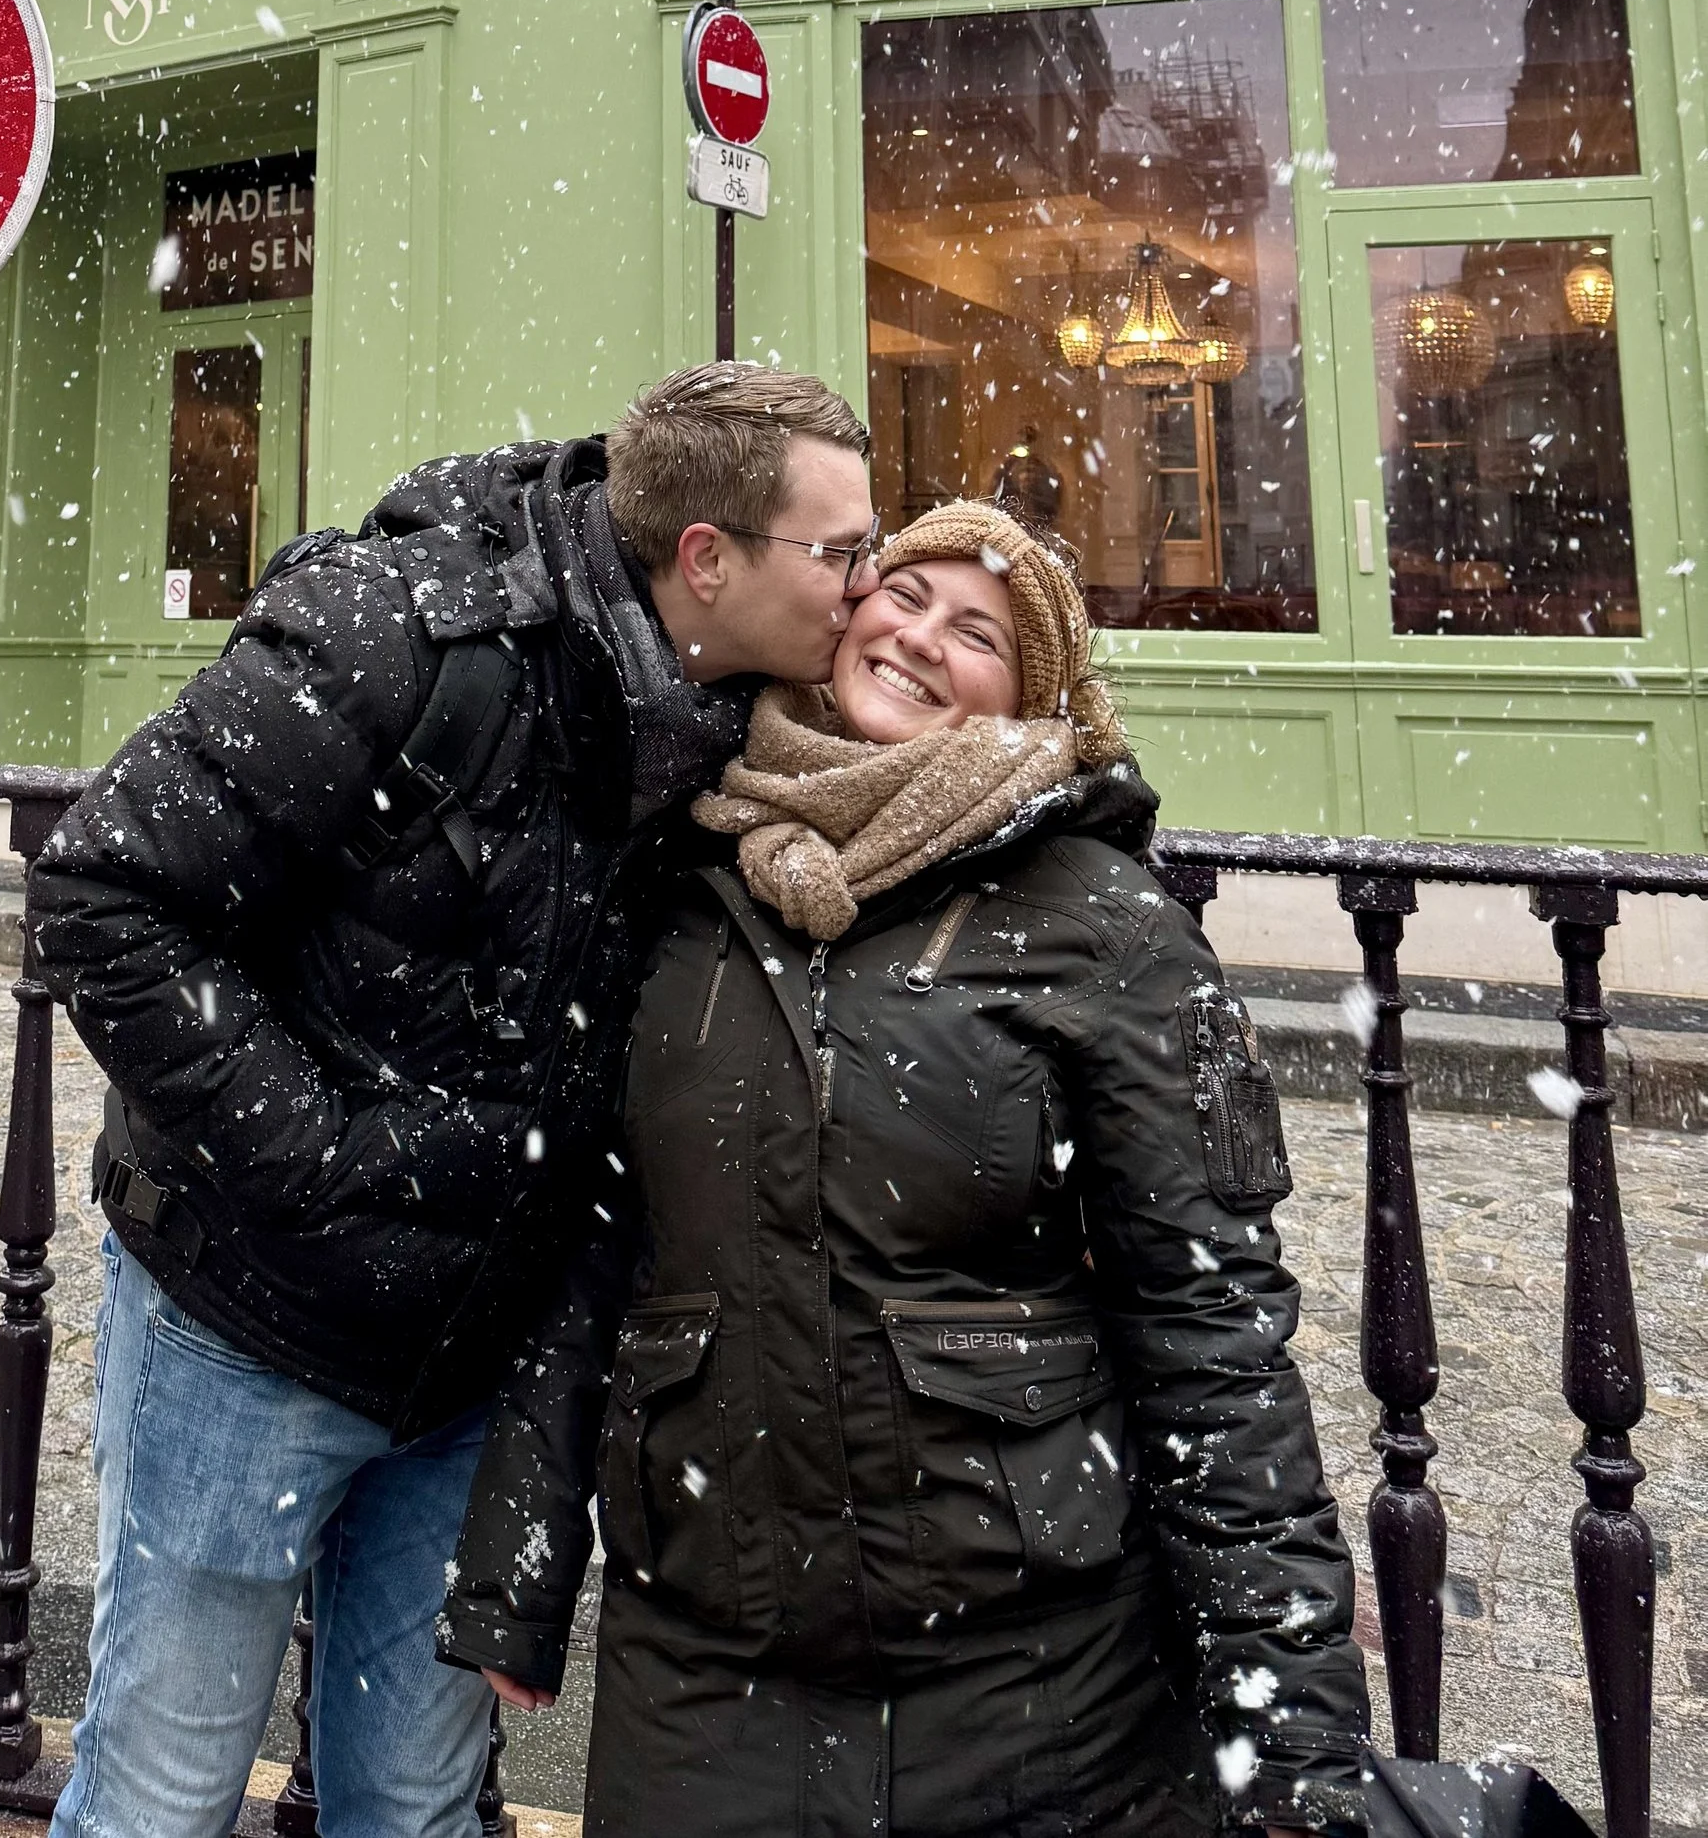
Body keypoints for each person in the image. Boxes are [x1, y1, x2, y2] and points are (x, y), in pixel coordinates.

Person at [31, 362, 878, 1838]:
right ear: (707, 558)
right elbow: (106, 895)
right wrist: (320, 1159)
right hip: (251, 1324)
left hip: (481, 1363)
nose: (867, 587)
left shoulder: (742, 738)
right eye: (843, 551)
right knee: (164, 1790)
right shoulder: (396, 634)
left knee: (414, 1807)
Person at [440, 498, 1372, 1838]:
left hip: (1036, 1673)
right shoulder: (687, 878)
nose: (923, 636)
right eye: (908, 594)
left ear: (1030, 698)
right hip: (708, 1667)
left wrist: (1286, 1717)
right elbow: (597, 1253)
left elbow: (1209, 1333)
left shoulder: (1102, 922)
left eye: (979, 632)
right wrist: (515, 1578)